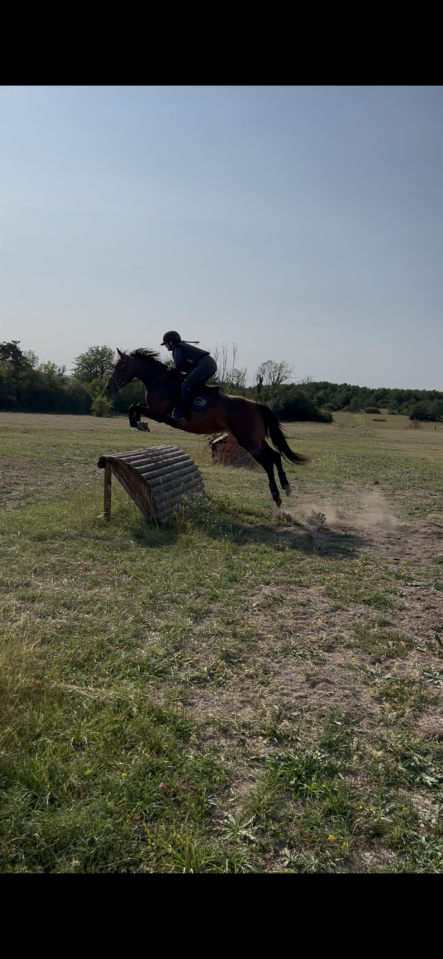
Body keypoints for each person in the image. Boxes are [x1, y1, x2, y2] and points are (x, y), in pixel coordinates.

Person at [160, 331, 217, 420]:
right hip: (209, 364)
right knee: (190, 385)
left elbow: (179, 366)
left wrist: (171, 369)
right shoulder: (181, 346)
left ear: (170, 342)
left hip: (205, 365)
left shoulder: (177, 347)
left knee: (185, 385)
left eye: (166, 343)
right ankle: (196, 409)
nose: (165, 346)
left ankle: (181, 412)